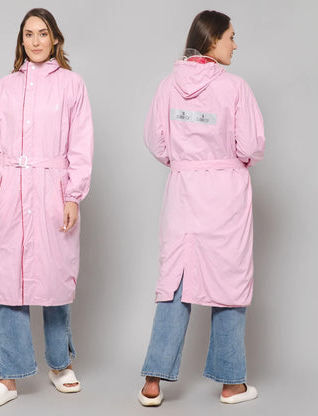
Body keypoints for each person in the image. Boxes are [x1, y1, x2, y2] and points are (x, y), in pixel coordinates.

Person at [138, 10, 265, 406]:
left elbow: (156, 142)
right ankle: (231, 384)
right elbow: (251, 145)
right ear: (212, 40)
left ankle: (153, 382)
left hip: (183, 190)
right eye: (230, 37)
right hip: (225, 194)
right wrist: (226, 164)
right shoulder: (235, 88)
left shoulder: (167, 86)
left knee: (176, 278)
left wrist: (185, 163)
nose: (235, 45)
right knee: (229, 282)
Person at [0, 8, 93, 408]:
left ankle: (60, 364)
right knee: (7, 280)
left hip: (51, 190)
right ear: (21, 40)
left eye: (43, 33)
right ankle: (8, 377)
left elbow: (80, 145)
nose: (36, 41)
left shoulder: (72, 85)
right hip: (9, 189)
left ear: (55, 38)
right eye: (29, 34)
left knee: (55, 277)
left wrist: (73, 194)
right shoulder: (6, 87)